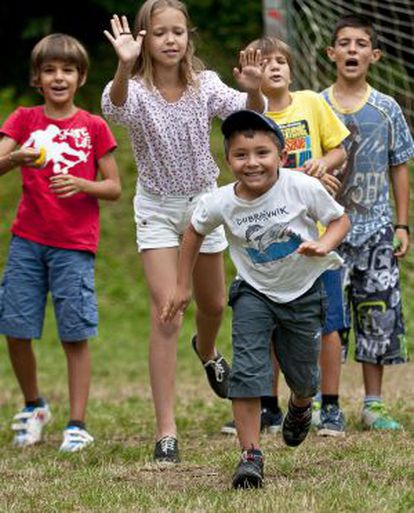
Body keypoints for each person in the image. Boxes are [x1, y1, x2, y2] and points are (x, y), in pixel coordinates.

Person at [101, 0, 265, 464]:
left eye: (178, 31)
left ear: (188, 37)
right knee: (168, 311)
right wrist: (123, 65)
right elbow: (114, 107)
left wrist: (252, 92)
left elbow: (250, 116)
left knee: (212, 304)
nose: (171, 40)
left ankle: (208, 350)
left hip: (203, 205)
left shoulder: (204, 85)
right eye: (159, 33)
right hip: (156, 208)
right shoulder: (134, 91)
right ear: (144, 40)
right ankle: (166, 431)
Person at [161, 110, 350, 488]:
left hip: (303, 292)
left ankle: (300, 405)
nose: (252, 163)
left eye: (262, 153)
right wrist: (182, 285)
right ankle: (250, 455)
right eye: (241, 155)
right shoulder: (221, 201)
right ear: (228, 160)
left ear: (280, 156)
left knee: (305, 378)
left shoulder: (300, 186)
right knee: (248, 371)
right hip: (253, 292)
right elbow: (194, 233)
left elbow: (340, 219)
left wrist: (323, 244)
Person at [220, 36, 350, 438]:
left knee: (326, 324)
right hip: (271, 242)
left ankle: (328, 406)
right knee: (265, 323)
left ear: (292, 69)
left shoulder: (311, 102)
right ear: (246, 72)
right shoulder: (247, 114)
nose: (273, 67)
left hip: (314, 236)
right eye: (264, 62)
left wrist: (320, 165)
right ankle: (268, 407)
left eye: (280, 61)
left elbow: (340, 150)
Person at [0, 34, 121, 452]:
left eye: (67, 70)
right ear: (37, 77)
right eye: (49, 70)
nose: (58, 77)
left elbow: (114, 187)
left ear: (80, 76)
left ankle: (76, 424)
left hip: (74, 246)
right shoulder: (23, 120)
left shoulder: (93, 126)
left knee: (74, 335)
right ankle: (34, 406)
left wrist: (82, 183)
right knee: (15, 329)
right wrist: (15, 158)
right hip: (27, 242)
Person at [322, 14, 413, 430]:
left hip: (376, 230)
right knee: (329, 319)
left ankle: (373, 403)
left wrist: (401, 224)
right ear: (332, 53)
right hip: (328, 233)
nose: (352, 50)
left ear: (374, 55)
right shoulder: (316, 106)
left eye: (361, 43)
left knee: (376, 314)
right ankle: (330, 403)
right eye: (345, 43)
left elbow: (399, 167)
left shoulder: (387, 108)